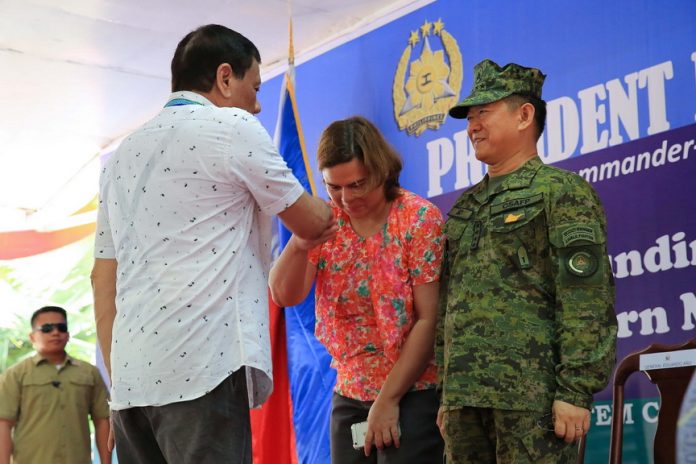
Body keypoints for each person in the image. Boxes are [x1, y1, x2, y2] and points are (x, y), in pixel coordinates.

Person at [90, 24, 334, 463]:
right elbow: (309, 221)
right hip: (201, 369)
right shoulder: (230, 125)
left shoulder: (121, 157)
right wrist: (338, 209)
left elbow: (100, 279)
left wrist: (120, 380)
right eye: (254, 87)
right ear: (225, 77)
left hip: (131, 388)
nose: (258, 105)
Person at [436, 59, 618, 463]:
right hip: (465, 402)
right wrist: (447, 393)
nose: (472, 126)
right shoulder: (464, 207)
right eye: (469, 117)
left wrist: (574, 391)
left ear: (524, 115)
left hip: (531, 401)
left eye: (483, 112)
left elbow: (586, 298)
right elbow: (449, 304)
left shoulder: (562, 192)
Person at [270, 116, 445, 463]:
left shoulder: (417, 219)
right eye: (334, 187)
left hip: (413, 390)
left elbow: (429, 319)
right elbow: (284, 295)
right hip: (350, 394)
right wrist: (301, 241)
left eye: (357, 185)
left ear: (381, 170)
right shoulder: (327, 220)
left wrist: (388, 400)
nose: (346, 198)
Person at [0, 305, 111, 464]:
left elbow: (102, 420)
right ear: (32, 337)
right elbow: (3, 425)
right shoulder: (15, 375)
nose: (55, 332)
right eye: (46, 328)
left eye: (61, 327)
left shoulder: (89, 373)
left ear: (68, 334)